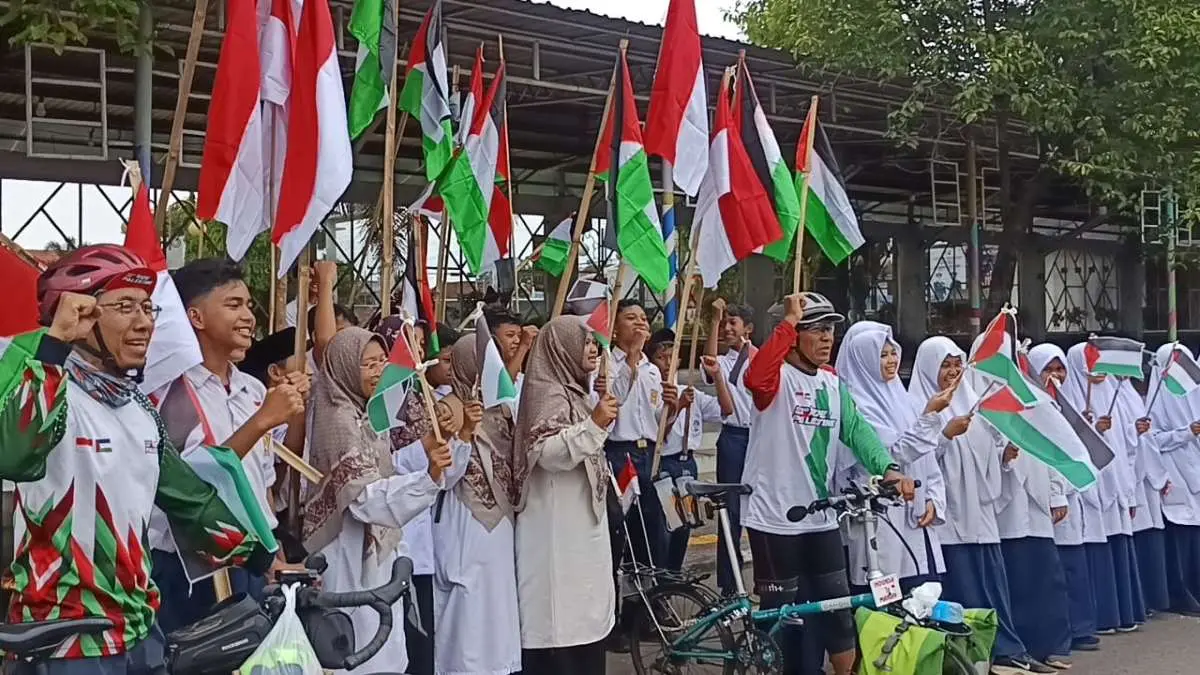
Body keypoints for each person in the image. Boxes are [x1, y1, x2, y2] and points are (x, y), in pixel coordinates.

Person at [0, 244, 276, 674]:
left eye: (148, 308)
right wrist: (54, 346)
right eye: (124, 307)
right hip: (68, 638)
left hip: (140, 631)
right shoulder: (49, 392)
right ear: (80, 315)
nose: (144, 322)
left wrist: (260, 555)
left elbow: (189, 499)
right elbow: (15, 456)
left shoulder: (139, 408)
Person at [741, 293, 917, 675]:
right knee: (781, 620)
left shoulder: (832, 383)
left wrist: (888, 467)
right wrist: (787, 322)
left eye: (831, 330)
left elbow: (856, 430)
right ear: (793, 336)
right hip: (774, 518)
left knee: (838, 613)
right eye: (818, 329)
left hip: (821, 517)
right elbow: (754, 378)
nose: (827, 338)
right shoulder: (775, 378)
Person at [152, 258, 308, 633]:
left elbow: (261, 484)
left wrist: (273, 550)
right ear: (196, 317)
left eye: (249, 305)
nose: (248, 316)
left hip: (247, 563)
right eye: (233, 304)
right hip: (190, 570)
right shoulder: (170, 394)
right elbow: (188, 487)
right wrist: (262, 422)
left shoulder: (252, 390)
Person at [303, 327, 451, 675]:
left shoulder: (365, 415)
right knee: (356, 647)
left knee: (382, 643)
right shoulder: (339, 419)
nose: (377, 371)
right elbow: (363, 498)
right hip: (347, 551)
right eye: (367, 364)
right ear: (343, 368)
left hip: (375, 551)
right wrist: (427, 480)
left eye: (381, 362)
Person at [513, 316, 616, 675]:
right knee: (562, 632)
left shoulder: (576, 392)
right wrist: (594, 425)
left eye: (593, 343)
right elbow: (548, 453)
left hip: (580, 538)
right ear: (561, 348)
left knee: (585, 629)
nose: (593, 349)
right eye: (585, 342)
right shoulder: (546, 391)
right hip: (556, 537)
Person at [431, 335, 522, 675]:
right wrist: (465, 432)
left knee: (497, 613)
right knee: (465, 617)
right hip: (463, 522)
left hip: (500, 526)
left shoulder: (501, 411)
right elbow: (444, 473)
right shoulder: (446, 408)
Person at [835, 323, 949, 592]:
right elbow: (886, 459)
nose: (891, 361)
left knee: (923, 599)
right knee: (886, 599)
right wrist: (930, 418)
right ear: (863, 360)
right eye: (882, 355)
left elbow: (927, 461)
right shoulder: (855, 406)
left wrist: (934, 498)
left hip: (917, 516)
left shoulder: (903, 399)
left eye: (893, 352)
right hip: (881, 520)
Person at [593, 299, 677, 648]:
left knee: (651, 537)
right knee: (617, 540)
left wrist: (673, 410)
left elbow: (659, 425)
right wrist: (629, 359)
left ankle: (642, 614)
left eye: (643, 317)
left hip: (647, 456)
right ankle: (609, 622)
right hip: (618, 455)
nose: (640, 324)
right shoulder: (604, 365)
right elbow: (613, 405)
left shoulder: (653, 369)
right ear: (615, 328)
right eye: (631, 318)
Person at [995, 344, 1075, 670]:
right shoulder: (993, 403)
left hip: (1039, 504)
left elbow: (1055, 454)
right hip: (1009, 507)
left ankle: (1048, 646)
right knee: (1019, 581)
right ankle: (1021, 649)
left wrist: (1057, 494)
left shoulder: (1041, 404)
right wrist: (1005, 458)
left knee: (1045, 579)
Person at [386, 322, 459, 675]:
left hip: (421, 528)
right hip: (393, 530)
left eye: (418, 344)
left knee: (420, 635)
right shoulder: (382, 403)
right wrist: (430, 442)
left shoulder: (421, 397)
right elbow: (385, 465)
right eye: (407, 344)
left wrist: (444, 439)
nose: (416, 354)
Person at [1062, 344, 1139, 634]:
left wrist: (1129, 431)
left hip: (1116, 482)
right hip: (1091, 488)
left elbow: (1126, 446)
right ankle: (1101, 617)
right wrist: (1091, 428)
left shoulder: (1114, 397)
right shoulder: (1069, 399)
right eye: (1091, 367)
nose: (1098, 374)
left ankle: (1122, 614)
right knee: (1095, 548)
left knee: (1116, 545)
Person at [1032, 344, 1102, 652]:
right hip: (1053, 494)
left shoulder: (1066, 406)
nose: (1056, 375)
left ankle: (1083, 626)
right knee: (1059, 570)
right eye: (1049, 369)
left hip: (1071, 495)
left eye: (1060, 369)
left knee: (1075, 566)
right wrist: (1058, 492)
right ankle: (1069, 630)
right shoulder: (1035, 407)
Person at [648, 329, 732, 572]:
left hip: (687, 465)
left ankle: (674, 576)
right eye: (660, 358)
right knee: (666, 528)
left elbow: (727, 409)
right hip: (664, 465)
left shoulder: (688, 390)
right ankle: (662, 580)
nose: (666, 363)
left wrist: (717, 377)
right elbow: (659, 436)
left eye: (670, 357)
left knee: (685, 526)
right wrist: (677, 407)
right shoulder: (654, 392)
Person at [703, 299, 757, 594]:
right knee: (730, 512)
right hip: (733, 439)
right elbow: (709, 364)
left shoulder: (760, 358)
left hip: (759, 439)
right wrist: (712, 321)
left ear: (748, 328)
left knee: (761, 509)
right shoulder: (722, 361)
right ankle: (728, 584)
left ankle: (765, 580)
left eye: (732, 323)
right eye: (725, 324)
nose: (727, 328)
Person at [1146, 343, 1200, 615]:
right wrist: (1185, 433)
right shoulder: (1156, 397)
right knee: (1179, 538)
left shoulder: (1195, 393)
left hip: (1196, 473)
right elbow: (1150, 437)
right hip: (1173, 471)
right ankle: (1181, 596)